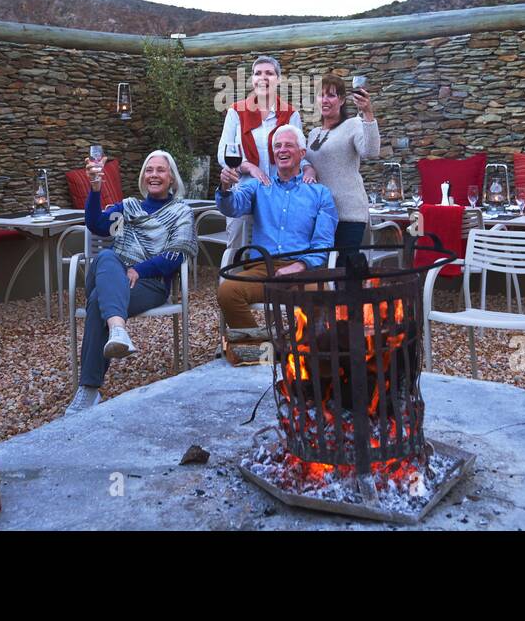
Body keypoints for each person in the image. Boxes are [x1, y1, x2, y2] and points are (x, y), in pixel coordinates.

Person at [66, 150, 198, 414]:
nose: (154, 175)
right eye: (149, 170)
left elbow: (176, 254)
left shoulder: (180, 212)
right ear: (143, 177)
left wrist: (139, 269)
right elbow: (97, 225)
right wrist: (95, 189)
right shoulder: (129, 208)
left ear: (171, 178)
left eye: (160, 170)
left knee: (96, 302)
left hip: (150, 284)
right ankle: (117, 329)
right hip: (113, 275)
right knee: (106, 256)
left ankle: (89, 391)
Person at [215, 125, 337, 346]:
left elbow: (324, 243)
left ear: (302, 153)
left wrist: (299, 266)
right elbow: (231, 207)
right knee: (228, 292)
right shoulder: (259, 186)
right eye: (277, 146)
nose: (282, 150)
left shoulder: (320, 193)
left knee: (321, 295)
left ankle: (307, 355)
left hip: (301, 270)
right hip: (263, 268)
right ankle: (261, 350)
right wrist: (225, 188)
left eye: (288, 145)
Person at [216, 55, 310, 250]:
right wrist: (248, 166)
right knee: (237, 250)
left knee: (276, 250)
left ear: (279, 79)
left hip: (280, 196)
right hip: (243, 193)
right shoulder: (236, 112)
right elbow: (222, 154)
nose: (263, 78)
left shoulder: (290, 114)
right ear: (252, 79)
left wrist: (309, 168)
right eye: (258, 73)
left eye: (269, 73)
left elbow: (299, 154)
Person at [305, 74, 380, 264]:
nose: (325, 100)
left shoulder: (353, 124)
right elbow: (303, 161)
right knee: (321, 268)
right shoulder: (313, 134)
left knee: (344, 270)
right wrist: (308, 168)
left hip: (348, 213)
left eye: (331, 95)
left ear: (342, 100)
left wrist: (368, 114)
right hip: (321, 214)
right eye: (321, 95)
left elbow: (370, 152)